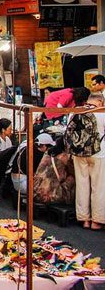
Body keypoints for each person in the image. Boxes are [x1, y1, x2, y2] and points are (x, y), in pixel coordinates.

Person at [71, 94, 105, 230]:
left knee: (82, 185)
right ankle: (97, 221)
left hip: (79, 153)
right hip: (99, 153)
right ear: (100, 102)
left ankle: (84, 219)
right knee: (98, 187)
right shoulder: (102, 113)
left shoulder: (76, 112)